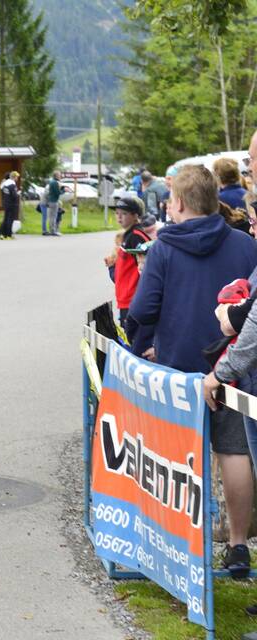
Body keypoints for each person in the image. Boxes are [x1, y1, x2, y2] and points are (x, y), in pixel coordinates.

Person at [130, 164, 257, 581]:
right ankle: (237, 544)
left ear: (180, 203)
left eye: (170, 199)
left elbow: (143, 309)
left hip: (177, 371)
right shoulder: (245, 244)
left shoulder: (164, 248)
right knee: (235, 453)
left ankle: (178, 543)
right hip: (231, 367)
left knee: (175, 458)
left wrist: (141, 342)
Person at [109, 197, 150, 323]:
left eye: (124, 213)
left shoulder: (136, 236)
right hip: (125, 298)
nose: (119, 217)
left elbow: (146, 269)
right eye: (117, 213)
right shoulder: (128, 235)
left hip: (133, 299)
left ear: (135, 216)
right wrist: (112, 266)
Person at [0, 171, 20, 240]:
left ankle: (2, 234)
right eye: (17, 177)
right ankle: (8, 235)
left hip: (5, 203)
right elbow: (14, 196)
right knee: (10, 219)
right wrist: (18, 194)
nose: (17, 178)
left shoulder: (5, 184)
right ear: (14, 177)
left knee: (5, 219)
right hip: (11, 204)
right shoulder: (12, 185)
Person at [45, 171, 61, 236]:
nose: (60, 176)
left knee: (51, 216)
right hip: (54, 201)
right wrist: (63, 190)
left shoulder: (51, 182)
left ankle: (51, 230)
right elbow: (57, 193)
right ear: (56, 176)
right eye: (59, 175)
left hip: (50, 201)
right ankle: (53, 231)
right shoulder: (55, 183)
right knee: (54, 216)